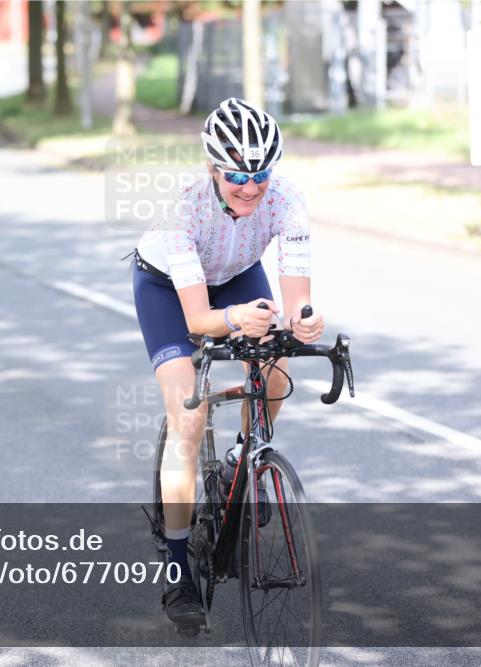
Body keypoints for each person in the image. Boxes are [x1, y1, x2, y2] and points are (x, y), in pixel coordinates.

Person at [130, 97, 325, 630]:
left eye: (261, 172)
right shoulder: (184, 209)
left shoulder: (286, 199)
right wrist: (236, 317)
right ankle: (177, 571)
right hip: (170, 290)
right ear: (211, 166)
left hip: (237, 275)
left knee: (277, 370)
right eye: (237, 173)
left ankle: (245, 456)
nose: (251, 186)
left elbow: (297, 298)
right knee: (188, 417)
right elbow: (198, 320)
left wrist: (304, 320)